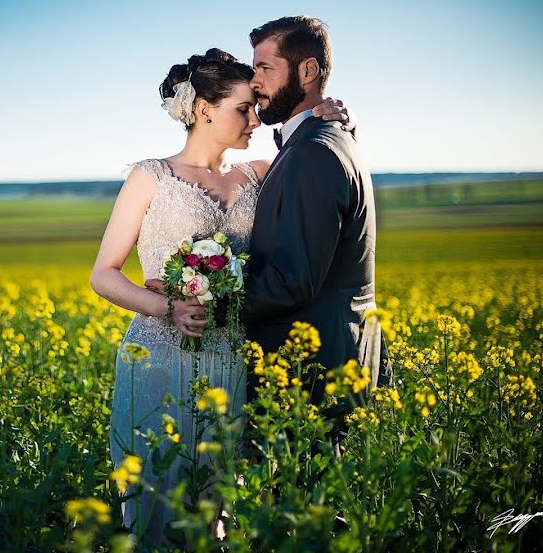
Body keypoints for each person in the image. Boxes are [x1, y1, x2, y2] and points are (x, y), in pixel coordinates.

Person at [90, 47, 353, 545]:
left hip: (230, 355)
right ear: (204, 110)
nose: (255, 118)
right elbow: (103, 274)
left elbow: (315, 158)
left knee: (216, 498)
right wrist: (165, 306)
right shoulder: (151, 176)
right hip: (159, 355)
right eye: (244, 108)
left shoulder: (258, 173)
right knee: (156, 494)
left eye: (255, 107)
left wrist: (344, 120)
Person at [240, 16, 393, 444]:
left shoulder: (314, 152)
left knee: (304, 506)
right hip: (333, 363)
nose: (255, 83)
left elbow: (291, 282)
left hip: (312, 376)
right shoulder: (331, 138)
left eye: (265, 69)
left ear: (307, 72)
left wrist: (208, 307)